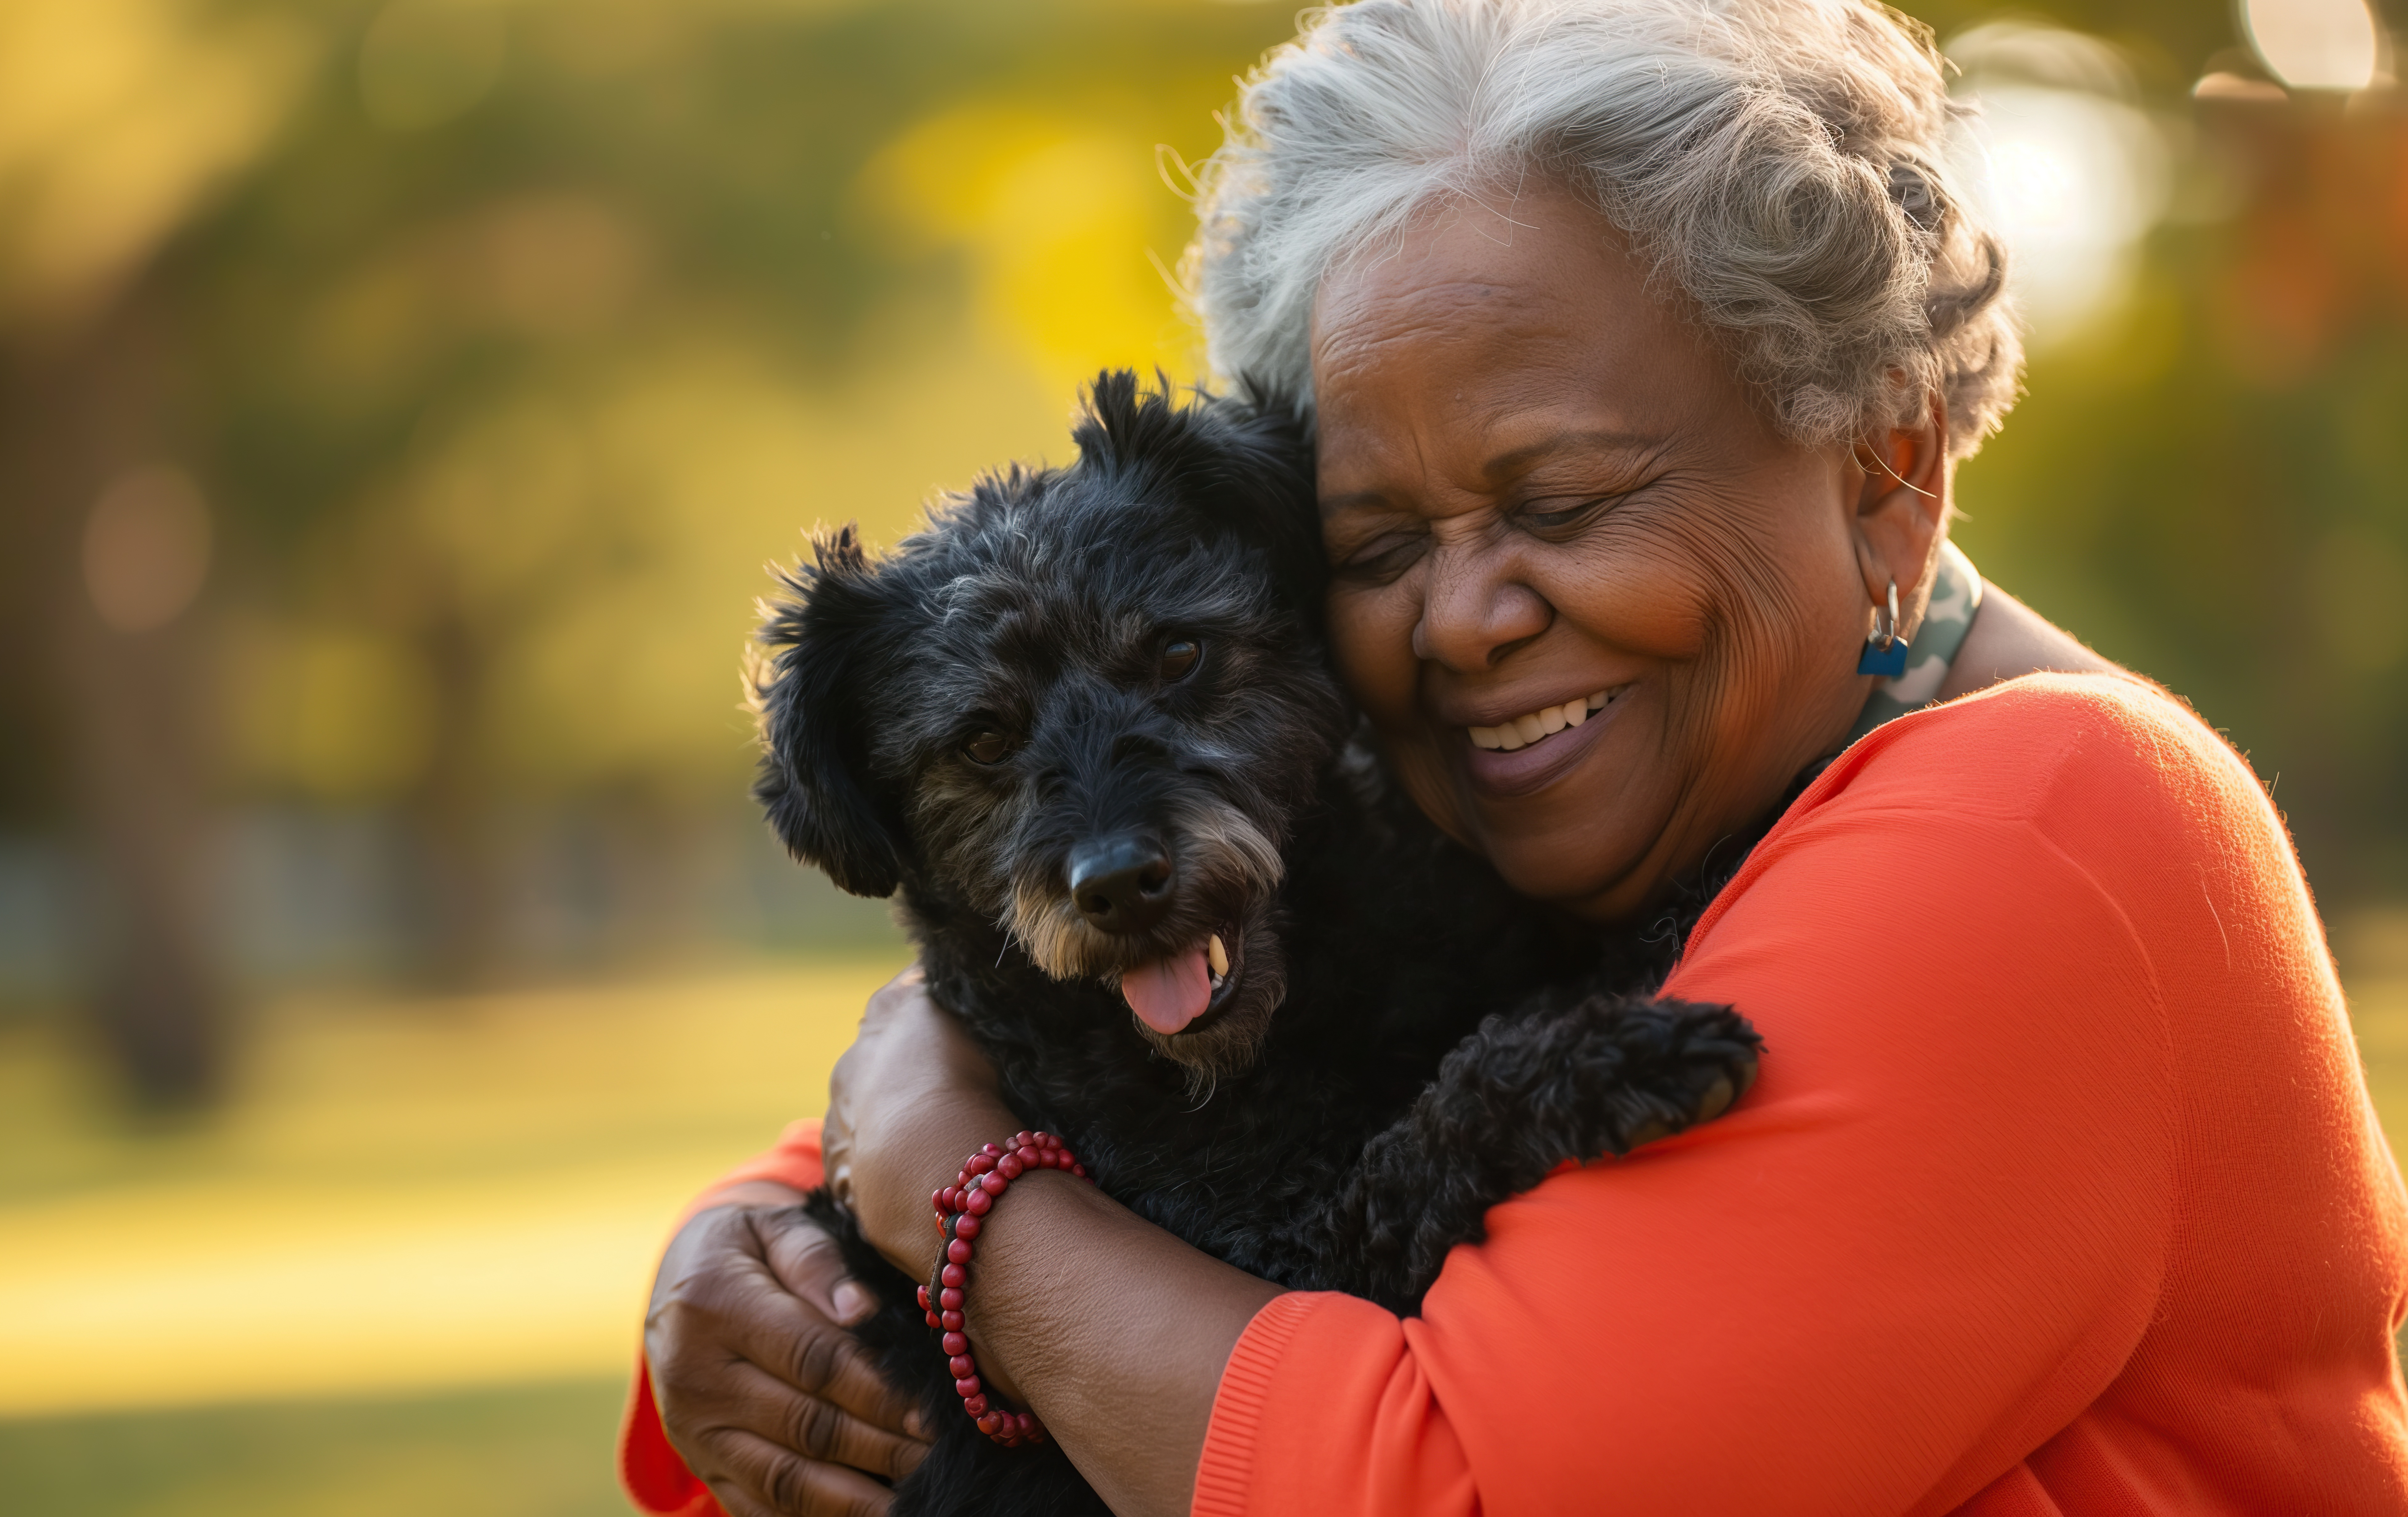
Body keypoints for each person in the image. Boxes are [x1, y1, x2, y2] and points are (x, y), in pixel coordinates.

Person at [625, 2, 2408, 1513]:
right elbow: (1075, 1090)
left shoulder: (2037, 828)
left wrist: (960, 1201)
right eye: (1380, 545)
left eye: (1560, 500)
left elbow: (1438, 1482)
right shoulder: (1542, 806)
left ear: (1882, 461)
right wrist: (754, 1232)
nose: (1464, 618)